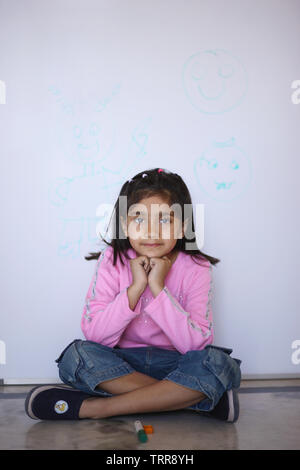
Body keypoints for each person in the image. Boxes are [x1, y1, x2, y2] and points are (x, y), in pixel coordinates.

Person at [25, 168, 242, 422]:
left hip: (176, 366)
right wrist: (136, 288)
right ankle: (190, 400)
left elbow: (195, 345)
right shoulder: (112, 260)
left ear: (182, 227)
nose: (151, 232)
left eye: (164, 220)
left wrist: (158, 288)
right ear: (125, 225)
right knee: (77, 356)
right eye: (139, 219)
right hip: (123, 365)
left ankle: (99, 408)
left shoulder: (196, 267)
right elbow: (96, 336)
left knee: (217, 363)